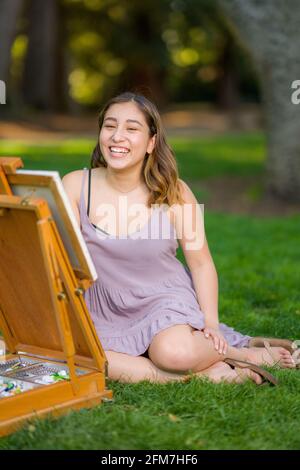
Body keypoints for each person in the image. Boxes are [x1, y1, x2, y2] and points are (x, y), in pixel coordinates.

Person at [62, 91, 297, 386]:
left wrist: (210, 324)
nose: (117, 136)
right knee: (85, 356)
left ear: (151, 142)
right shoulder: (74, 185)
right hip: (103, 305)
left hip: (163, 299)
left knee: (172, 353)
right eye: (110, 126)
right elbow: (60, 257)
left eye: (131, 129)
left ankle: (236, 353)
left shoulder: (174, 192)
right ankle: (213, 372)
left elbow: (200, 264)